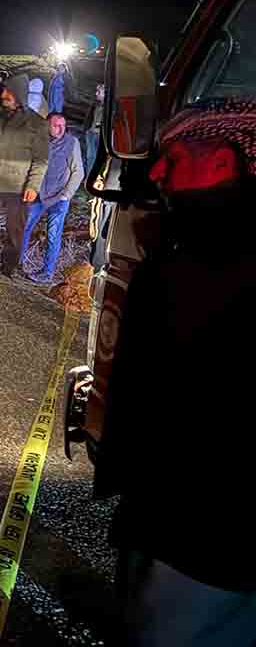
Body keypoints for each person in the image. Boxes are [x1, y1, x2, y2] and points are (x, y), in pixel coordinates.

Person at [98, 98, 256, 646]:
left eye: (175, 156)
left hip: (207, 539)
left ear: (222, 164)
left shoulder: (204, 268)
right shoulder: (188, 253)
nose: (157, 172)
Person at [0, 74, 50, 276]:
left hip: (18, 186)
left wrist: (33, 186)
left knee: (15, 232)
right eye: (3, 91)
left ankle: (8, 268)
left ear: (19, 94)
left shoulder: (37, 124)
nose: (4, 95)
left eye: (9, 91)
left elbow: (41, 160)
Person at [19, 112, 84, 285]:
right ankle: (18, 262)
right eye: (56, 125)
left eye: (63, 125)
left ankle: (47, 273)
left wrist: (66, 195)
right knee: (25, 226)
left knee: (54, 235)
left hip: (59, 196)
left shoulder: (72, 143)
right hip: (39, 193)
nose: (61, 129)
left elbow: (78, 172)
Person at [85, 83, 106, 171]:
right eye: (96, 91)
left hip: (100, 136)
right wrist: (86, 129)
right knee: (91, 157)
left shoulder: (110, 107)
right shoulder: (95, 104)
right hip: (91, 133)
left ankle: (96, 178)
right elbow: (89, 117)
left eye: (99, 92)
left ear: (105, 93)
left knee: (98, 158)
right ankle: (89, 177)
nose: (96, 94)